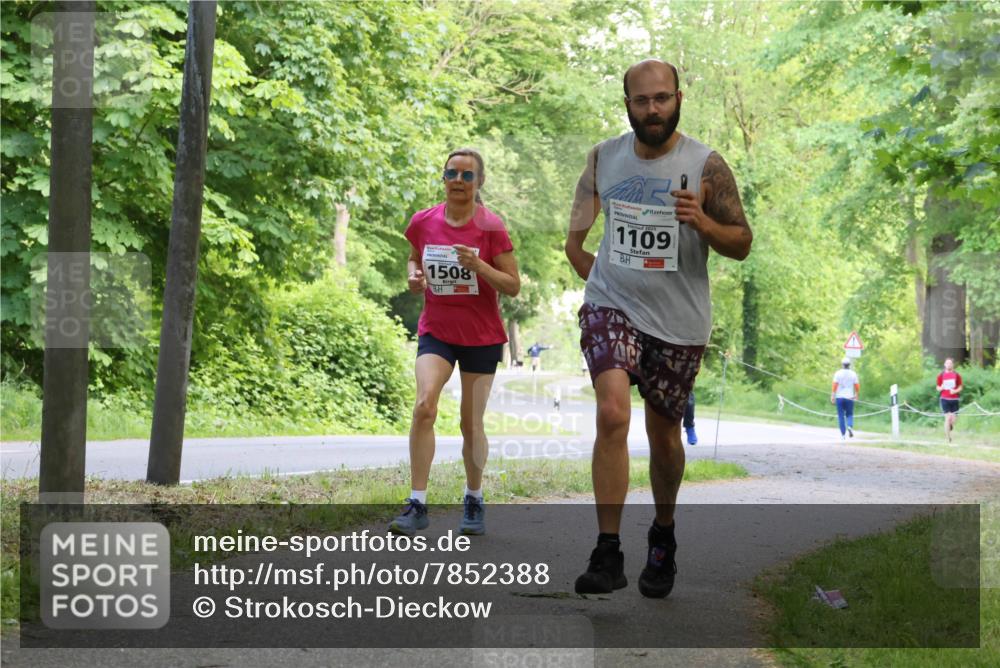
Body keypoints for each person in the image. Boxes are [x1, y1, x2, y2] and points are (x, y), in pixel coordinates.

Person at [564, 60, 752, 598]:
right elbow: (575, 243)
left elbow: (741, 243)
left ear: (678, 99)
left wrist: (704, 222)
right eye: (643, 100)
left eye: (663, 99)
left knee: (664, 435)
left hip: (680, 321)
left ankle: (663, 534)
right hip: (612, 307)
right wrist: (603, 286)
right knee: (612, 412)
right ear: (626, 103)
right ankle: (607, 551)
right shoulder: (603, 158)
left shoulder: (706, 165)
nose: (653, 109)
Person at [391, 148, 520, 537]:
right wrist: (414, 277)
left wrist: (479, 266)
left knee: (470, 423)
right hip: (438, 330)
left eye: (467, 176)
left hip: (481, 337)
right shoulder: (423, 221)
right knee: (424, 403)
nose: (458, 181)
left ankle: (474, 498)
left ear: (479, 183)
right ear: (443, 178)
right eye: (452, 173)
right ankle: (417, 503)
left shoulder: (492, 227)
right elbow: (415, 258)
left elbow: (512, 286)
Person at [831, 358, 860, 440]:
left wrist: (833, 395)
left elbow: (835, 385)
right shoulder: (853, 374)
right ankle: (850, 426)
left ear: (842, 364)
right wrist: (856, 394)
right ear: (849, 365)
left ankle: (843, 435)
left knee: (841, 416)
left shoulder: (838, 373)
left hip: (839, 397)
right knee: (849, 414)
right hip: (850, 397)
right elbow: (857, 385)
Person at [936, 357, 963, 443]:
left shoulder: (957, 375)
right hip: (944, 399)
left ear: (952, 365)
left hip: (955, 399)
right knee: (947, 418)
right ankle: (948, 439)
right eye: (947, 363)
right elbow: (937, 387)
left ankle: (950, 425)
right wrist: (941, 387)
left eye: (950, 363)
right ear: (944, 364)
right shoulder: (941, 375)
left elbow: (960, 387)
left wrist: (955, 391)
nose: (948, 365)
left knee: (953, 420)